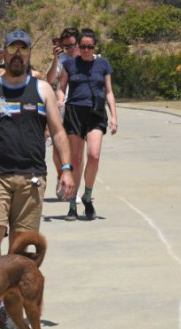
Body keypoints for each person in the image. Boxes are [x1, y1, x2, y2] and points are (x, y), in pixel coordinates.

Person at [0, 29, 76, 329]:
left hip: (32, 177)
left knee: (21, 246)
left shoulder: (42, 90)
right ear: (4, 52)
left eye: (23, 49)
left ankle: (9, 306)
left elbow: (58, 132)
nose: (17, 54)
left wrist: (66, 168)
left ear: (30, 53)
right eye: (12, 49)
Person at [58, 28, 118, 221]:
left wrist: (114, 116)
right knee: (75, 160)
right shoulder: (69, 64)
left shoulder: (103, 64)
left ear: (95, 46)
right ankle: (72, 204)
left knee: (94, 155)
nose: (85, 50)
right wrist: (59, 99)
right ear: (78, 46)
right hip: (74, 113)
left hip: (96, 113)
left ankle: (87, 196)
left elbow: (109, 92)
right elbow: (62, 88)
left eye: (89, 47)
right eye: (82, 47)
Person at [45, 27, 80, 200]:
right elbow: (50, 79)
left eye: (72, 45)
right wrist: (55, 58)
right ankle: (61, 176)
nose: (70, 49)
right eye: (66, 46)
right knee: (58, 149)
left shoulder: (87, 58)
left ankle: (74, 187)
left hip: (80, 108)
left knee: (76, 151)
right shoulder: (62, 59)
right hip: (62, 107)